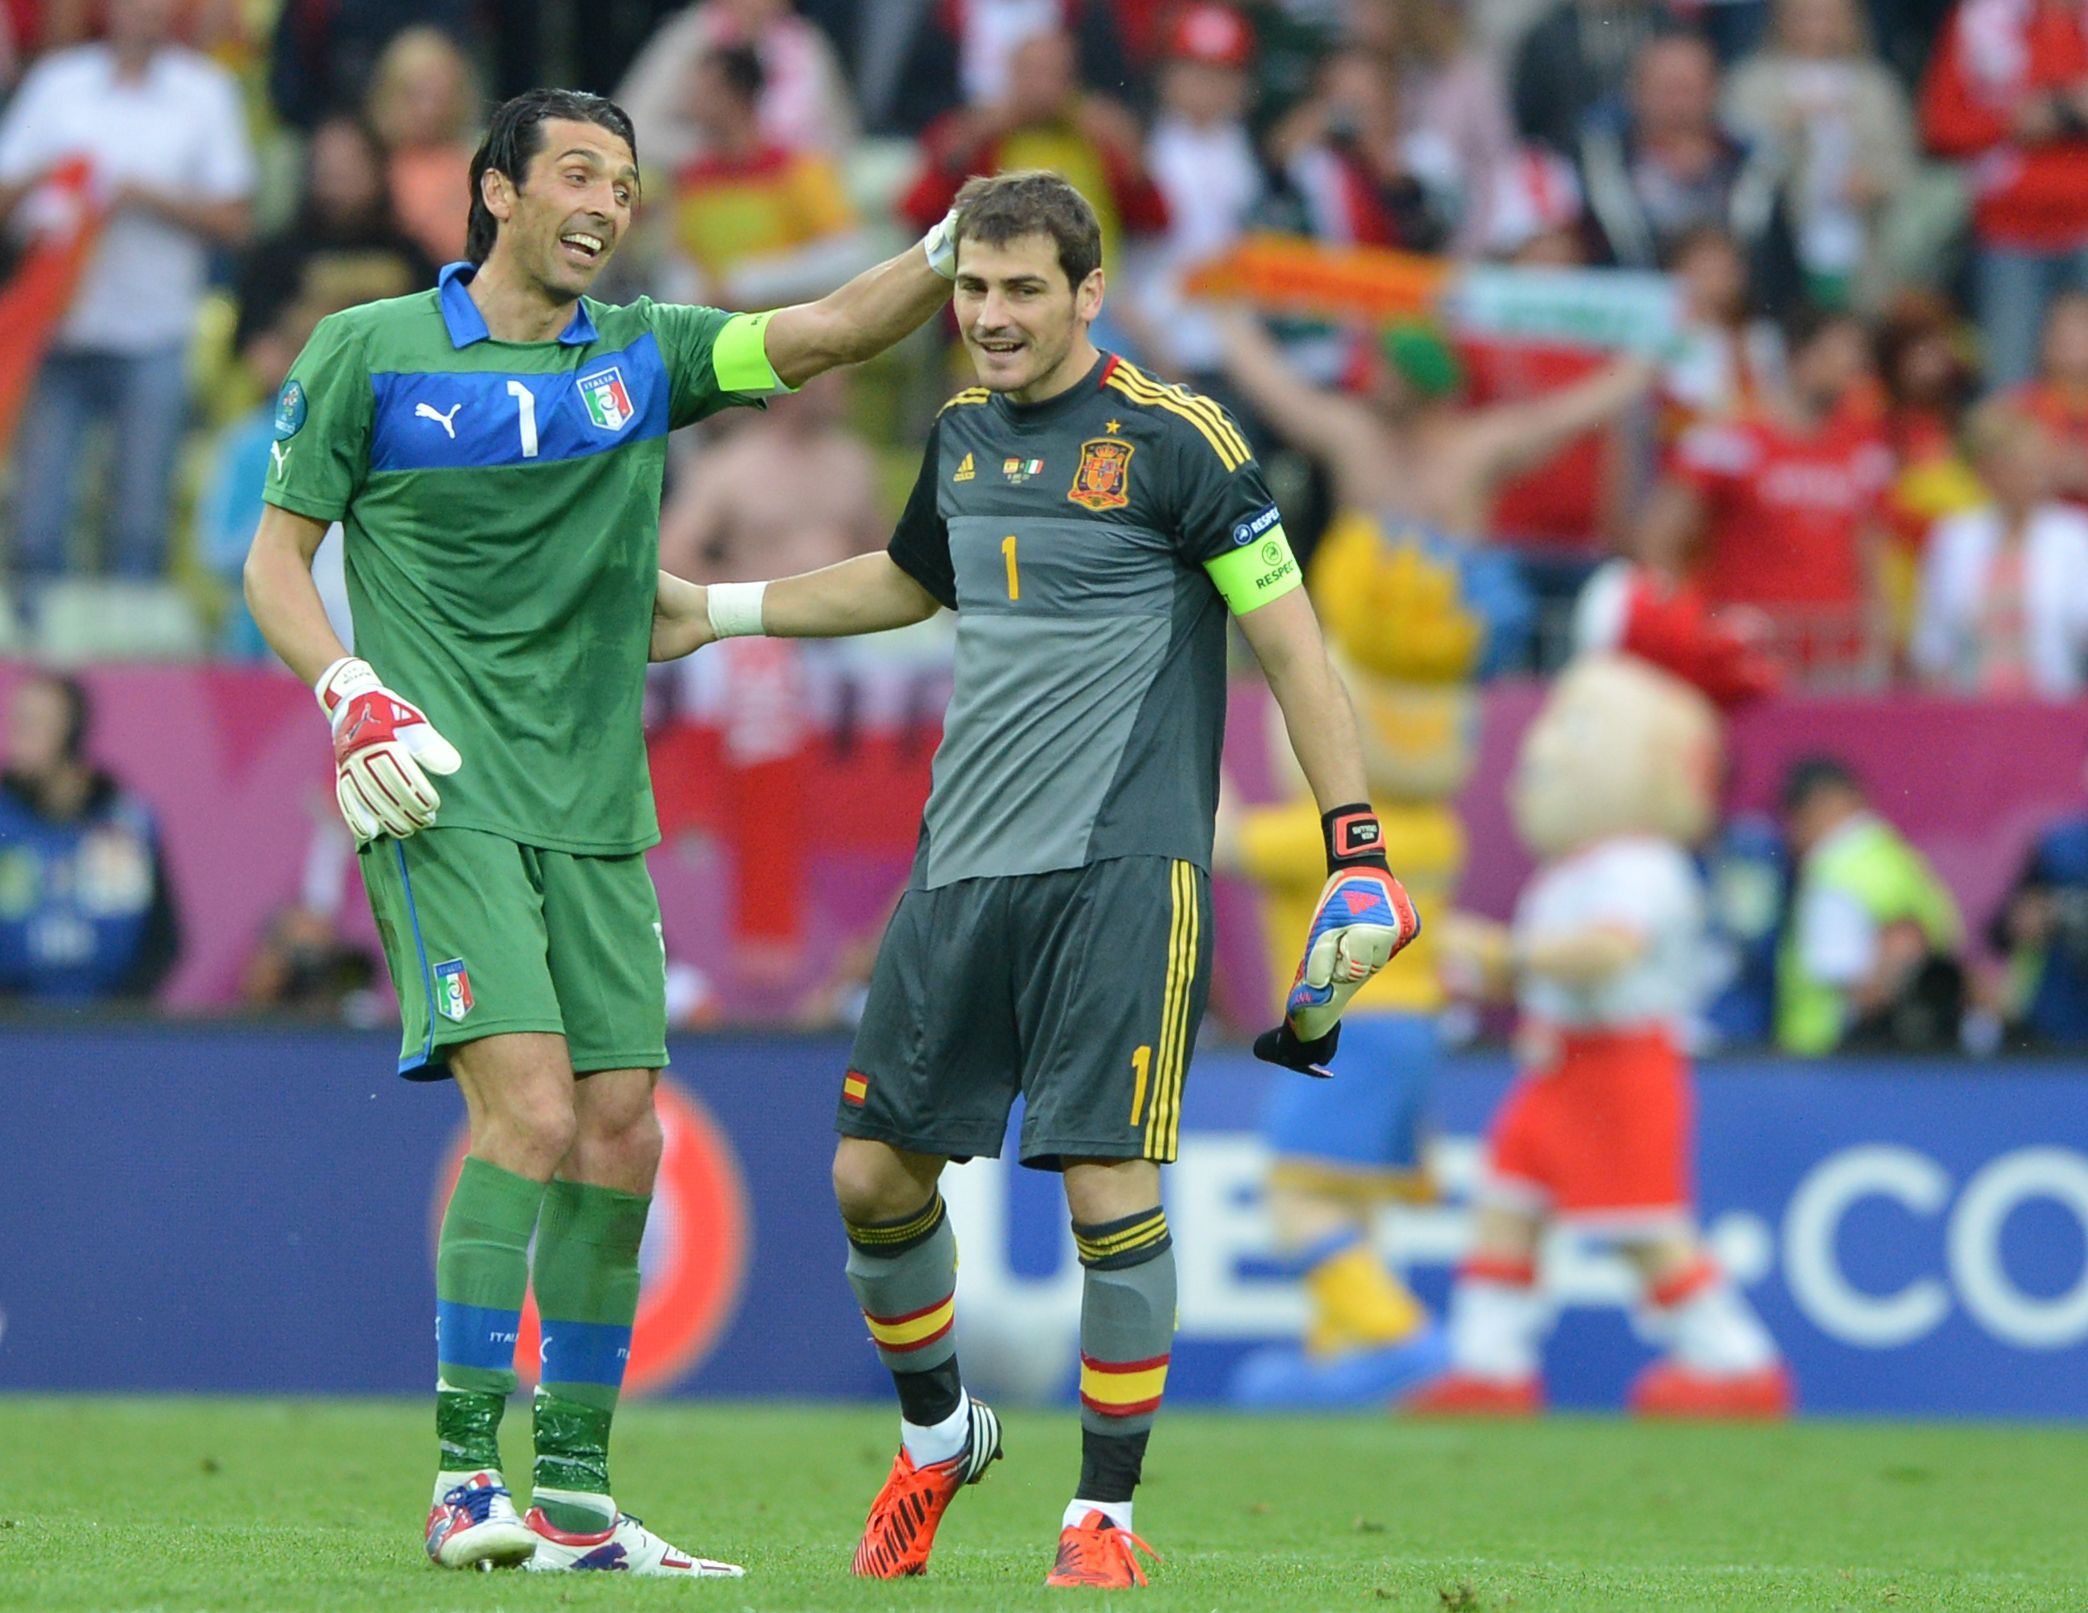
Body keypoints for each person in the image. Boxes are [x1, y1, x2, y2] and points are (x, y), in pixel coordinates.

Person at [647, 170, 1421, 1588]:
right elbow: (910, 580)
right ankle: (940, 1435)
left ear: (1088, 295)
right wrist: (718, 612)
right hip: (961, 869)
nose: (992, 318)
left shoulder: (1178, 440)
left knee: (1105, 1190)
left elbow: (1293, 645)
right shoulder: (954, 437)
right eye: (974, 290)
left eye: (1021, 291)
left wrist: (1354, 846)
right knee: (871, 1176)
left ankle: (1103, 1520)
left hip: (1124, 871)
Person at [241, 86, 961, 1577]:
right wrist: (348, 686)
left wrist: (953, 248)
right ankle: (459, 1483)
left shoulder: (646, 354)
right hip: (436, 785)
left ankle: (570, 1500)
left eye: (624, 183)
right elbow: (276, 561)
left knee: (624, 1127)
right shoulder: (370, 350)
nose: (605, 201)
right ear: (494, 188)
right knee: (532, 1111)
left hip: (596, 803)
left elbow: (823, 332)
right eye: (575, 170)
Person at [1418, 655, 1794, 1418]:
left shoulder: (1643, 863)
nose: (1544, 752)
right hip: (1555, 1060)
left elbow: (1609, 950)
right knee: (1507, 1202)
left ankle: (1737, 1365)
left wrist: (1503, 953)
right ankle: (1490, 1367)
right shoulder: (1564, 870)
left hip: (1621, 1062)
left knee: (1645, 1229)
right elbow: (1539, 971)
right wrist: (1461, 961)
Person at [0, 0, 253, 584]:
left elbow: (237, 219)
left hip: (154, 331)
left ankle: (130, 668)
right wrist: (58, 178)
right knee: (38, 519)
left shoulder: (206, 91)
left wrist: (139, 194)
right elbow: (8, 190)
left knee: (139, 525)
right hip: (59, 330)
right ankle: (37, 662)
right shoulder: (57, 83)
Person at [1636, 306, 1891, 680]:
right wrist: (1685, 628)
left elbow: (1869, 552)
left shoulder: (1865, 447)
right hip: (1746, 656)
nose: (1852, 370)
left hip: (1835, 656)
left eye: (1857, 357)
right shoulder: (1733, 438)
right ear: (1800, 357)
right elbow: (1660, 538)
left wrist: (1877, 642)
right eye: (1839, 354)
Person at [1920, 0, 2088, 389]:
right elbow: (1940, 124)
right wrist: (2013, 121)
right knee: (2010, 379)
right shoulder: (1980, 16)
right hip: (2009, 232)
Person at [1721, 0, 1919, 309]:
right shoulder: (1753, 80)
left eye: (1828, 16)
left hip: (1858, 238)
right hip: (1781, 237)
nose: (1816, 27)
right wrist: (1787, 127)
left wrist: (1873, 182)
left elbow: (1900, 162)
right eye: (1803, 16)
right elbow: (1736, 150)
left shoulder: (1876, 85)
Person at [0, 670, 180, 1003]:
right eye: (15, 723)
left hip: (107, 1032)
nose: (15, 739)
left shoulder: (125, 823)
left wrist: (119, 1018)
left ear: (71, 733)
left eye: (31, 724)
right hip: (12, 1031)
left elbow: (162, 940)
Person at [1776, 756, 1964, 1054]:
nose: (1791, 833)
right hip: (1905, 1054)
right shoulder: (1898, 859)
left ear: (1822, 804)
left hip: (1830, 1055)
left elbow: (1847, 977)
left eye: (1795, 815)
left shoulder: (1835, 868)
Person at [665, 43, 873, 309]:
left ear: (737, 95)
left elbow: (849, 254)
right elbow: (680, 258)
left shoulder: (798, 170)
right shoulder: (691, 180)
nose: (690, 102)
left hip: (791, 332)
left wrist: (754, 283)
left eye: (705, 92)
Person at [1912, 402, 2088, 697]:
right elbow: (1933, 639)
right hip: (1968, 707)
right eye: (2017, 466)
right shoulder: (1954, 536)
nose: (2031, 475)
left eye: (2038, 464)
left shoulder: (2075, 536)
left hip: (2053, 705)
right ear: (1987, 471)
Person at [231, 113, 436, 358]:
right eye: (326, 164)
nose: (337, 175)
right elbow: (257, 351)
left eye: (349, 164)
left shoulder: (410, 257)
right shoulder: (275, 258)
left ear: (377, 169)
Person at [367, 25, 482, 267]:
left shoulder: (479, 160)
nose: (429, 109)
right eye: (417, 93)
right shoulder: (369, 165)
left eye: (439, 94)